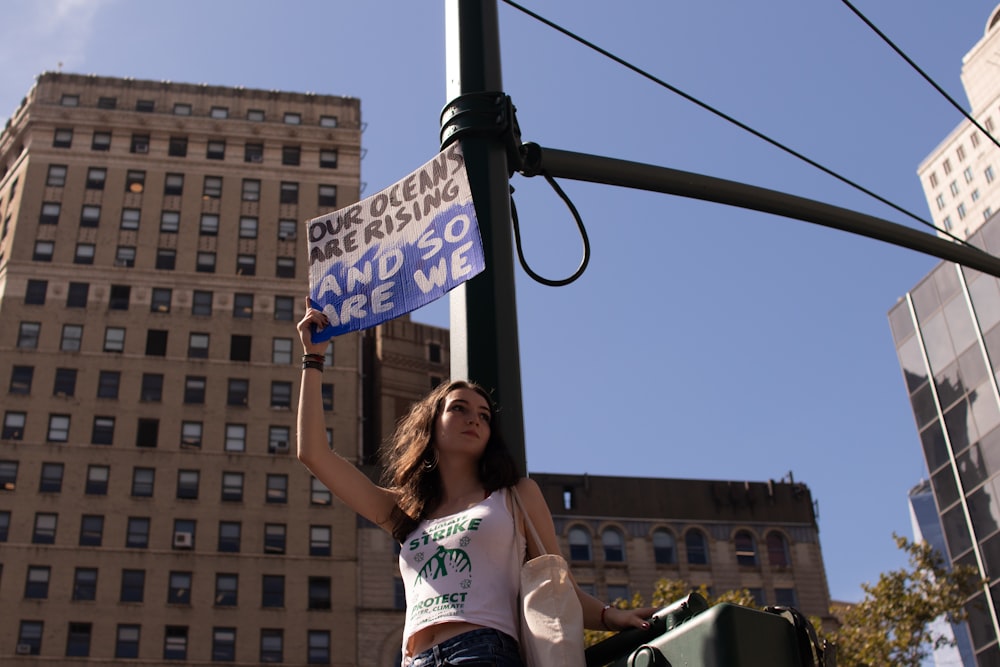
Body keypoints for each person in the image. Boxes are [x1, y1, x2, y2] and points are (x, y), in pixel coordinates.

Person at [296, 298, 656, 666]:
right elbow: (313, 454)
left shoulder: (515, 495)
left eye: (484, 415)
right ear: (431, 426)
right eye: (459, 409)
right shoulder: (404, 508)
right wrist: (314, 358)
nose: (474, 419)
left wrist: (612, 615)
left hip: (483, 650)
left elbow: (558, 584)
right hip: (414, 659)